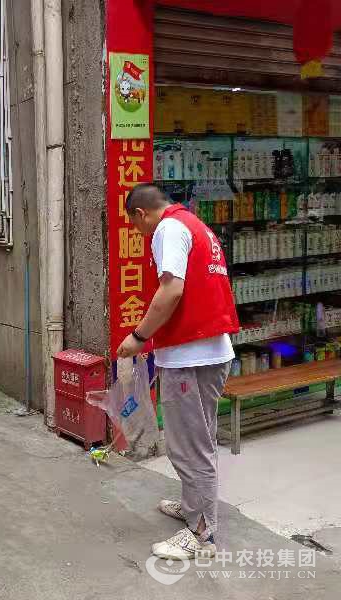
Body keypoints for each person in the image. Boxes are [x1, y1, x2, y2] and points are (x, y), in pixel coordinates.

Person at [117, 184, 239, 561]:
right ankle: (193, 507)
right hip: (207, 351)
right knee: (197, 438)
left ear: (141, 214)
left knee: (188, 445)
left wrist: (139, 336)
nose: (140, 233)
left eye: (135, 225)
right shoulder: (195, 225)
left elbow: (171, 290)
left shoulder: (167, 229)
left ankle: (201, 533)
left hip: (191, 357)